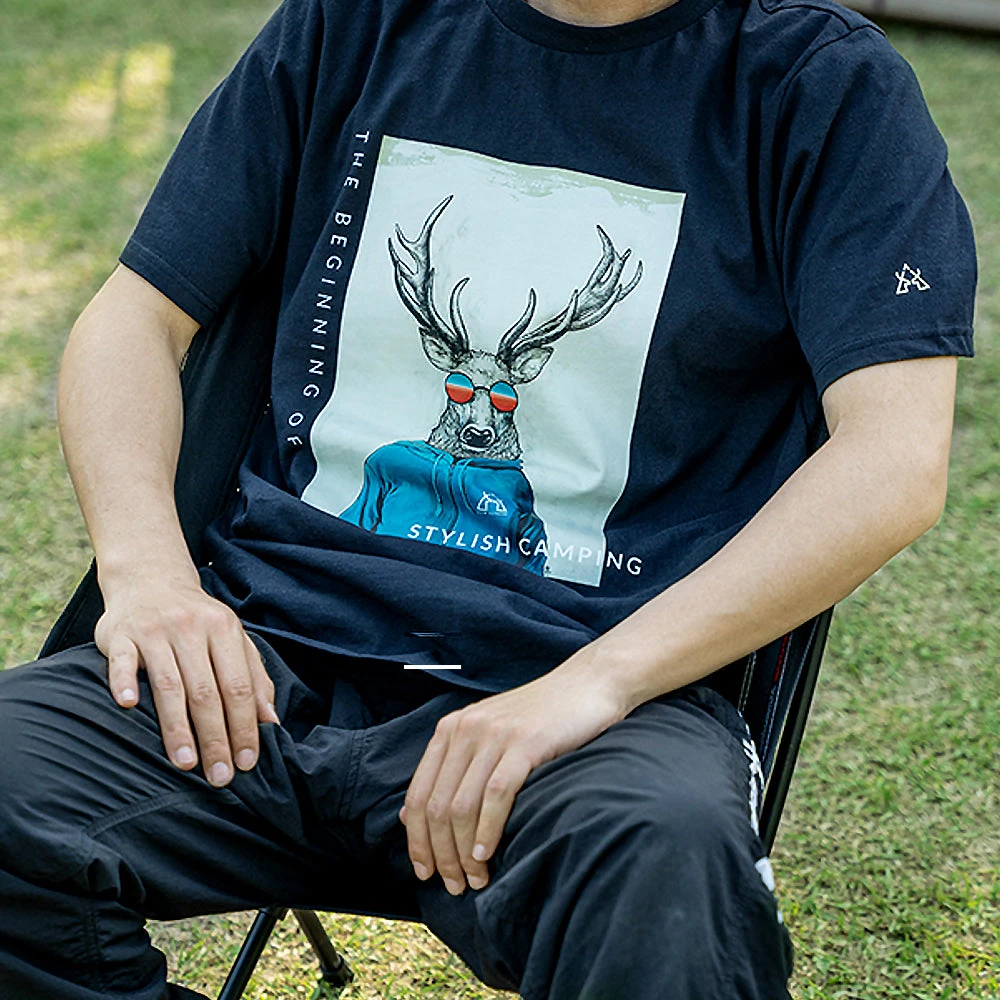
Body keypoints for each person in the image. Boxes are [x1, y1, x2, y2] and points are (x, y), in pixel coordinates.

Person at [0, 0, 976, 996]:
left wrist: (596, 683)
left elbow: (894, 457)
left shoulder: (820, 85)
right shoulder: (353, 22)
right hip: (257, 661)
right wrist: (149, 576)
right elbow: (134, 317)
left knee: (670, 882)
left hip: (590, 704)